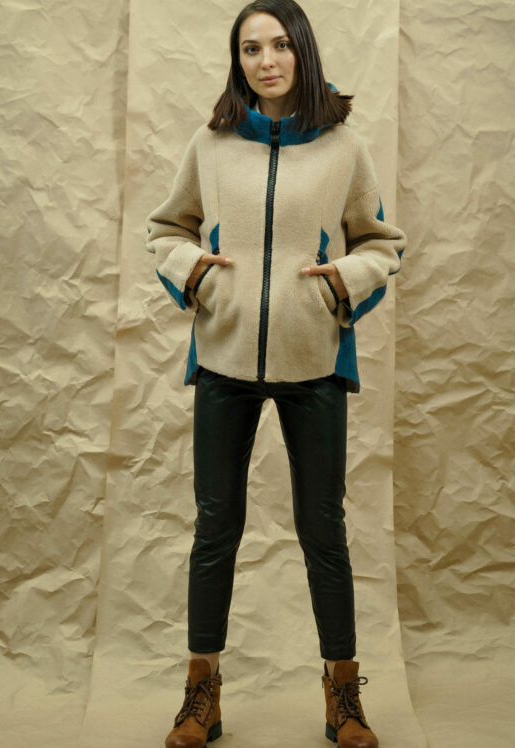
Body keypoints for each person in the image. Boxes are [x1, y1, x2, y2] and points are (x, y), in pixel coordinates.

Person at [145, 1, 406, 746]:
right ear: (238, 60)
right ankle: (201, 693)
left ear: (303, 53)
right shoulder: (212, 143)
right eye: (251, 48)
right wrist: (197, 272)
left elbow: (382, 244)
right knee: (215, 527)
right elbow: (166, 229)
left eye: (281, 45)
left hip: (314, 361)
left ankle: (343, 695)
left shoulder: (343, 148)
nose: (267, 60)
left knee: (324, 528)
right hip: (223, 360)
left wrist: (342, 281)